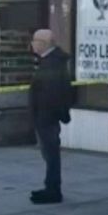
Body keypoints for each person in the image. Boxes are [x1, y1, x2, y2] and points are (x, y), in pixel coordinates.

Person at [28, 29, 73, 205]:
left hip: (47, 118)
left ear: (43, 43)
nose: (32, 44)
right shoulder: (48, 61)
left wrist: (45, 116)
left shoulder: (52, 63)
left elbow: (54, 93)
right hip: (45, 117)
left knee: (51, 154)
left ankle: (53, 190)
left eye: (34, 40)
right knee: (49, 155)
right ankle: (50, 186)